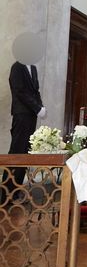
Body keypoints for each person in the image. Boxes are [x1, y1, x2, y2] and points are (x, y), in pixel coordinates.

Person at [1, 32, 47, 203]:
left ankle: (16, 191)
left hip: (31, 115)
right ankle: (5, 193)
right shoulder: (17, 67)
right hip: (21, 114)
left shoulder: (33, 68)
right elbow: (20, 92)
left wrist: (40, 107)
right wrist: (37, 108)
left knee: (25, 152)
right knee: (16, 152)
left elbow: (35, 91)